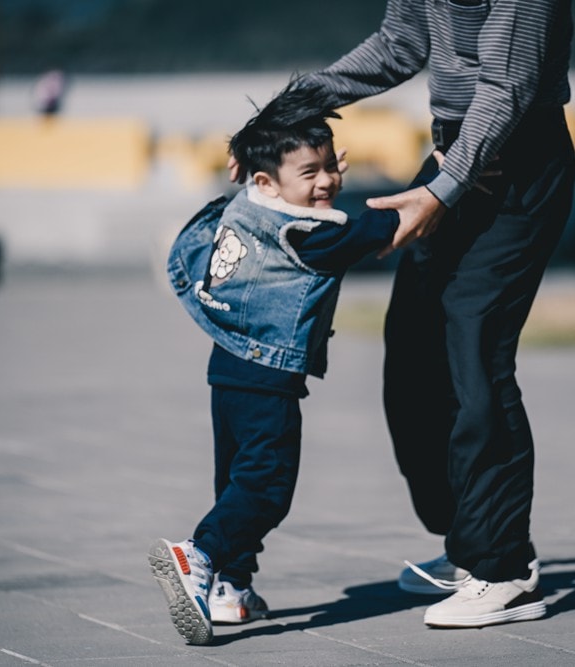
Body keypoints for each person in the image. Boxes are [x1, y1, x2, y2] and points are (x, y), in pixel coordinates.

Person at [259, 0, 575, 628]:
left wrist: (441, 189)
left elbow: (507, 84)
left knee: (476, 351)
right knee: (411, 346)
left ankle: (504, 569)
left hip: (519, 163)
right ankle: (470, 540)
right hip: (456, 155)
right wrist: (280, 115)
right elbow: (400, 43)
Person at [149, 86, 399, 646]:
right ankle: (199, 555)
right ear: (267, 182)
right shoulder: (306, 234)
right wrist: (420, 200)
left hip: (227, 370)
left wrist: (264, 157)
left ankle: (230, 588)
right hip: (269, 382)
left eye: (332, 166)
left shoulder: (244, 207)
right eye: (309, 172)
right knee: (266, 488)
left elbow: (252, 194)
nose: (327, 182)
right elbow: (369, 232)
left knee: (235, 482)